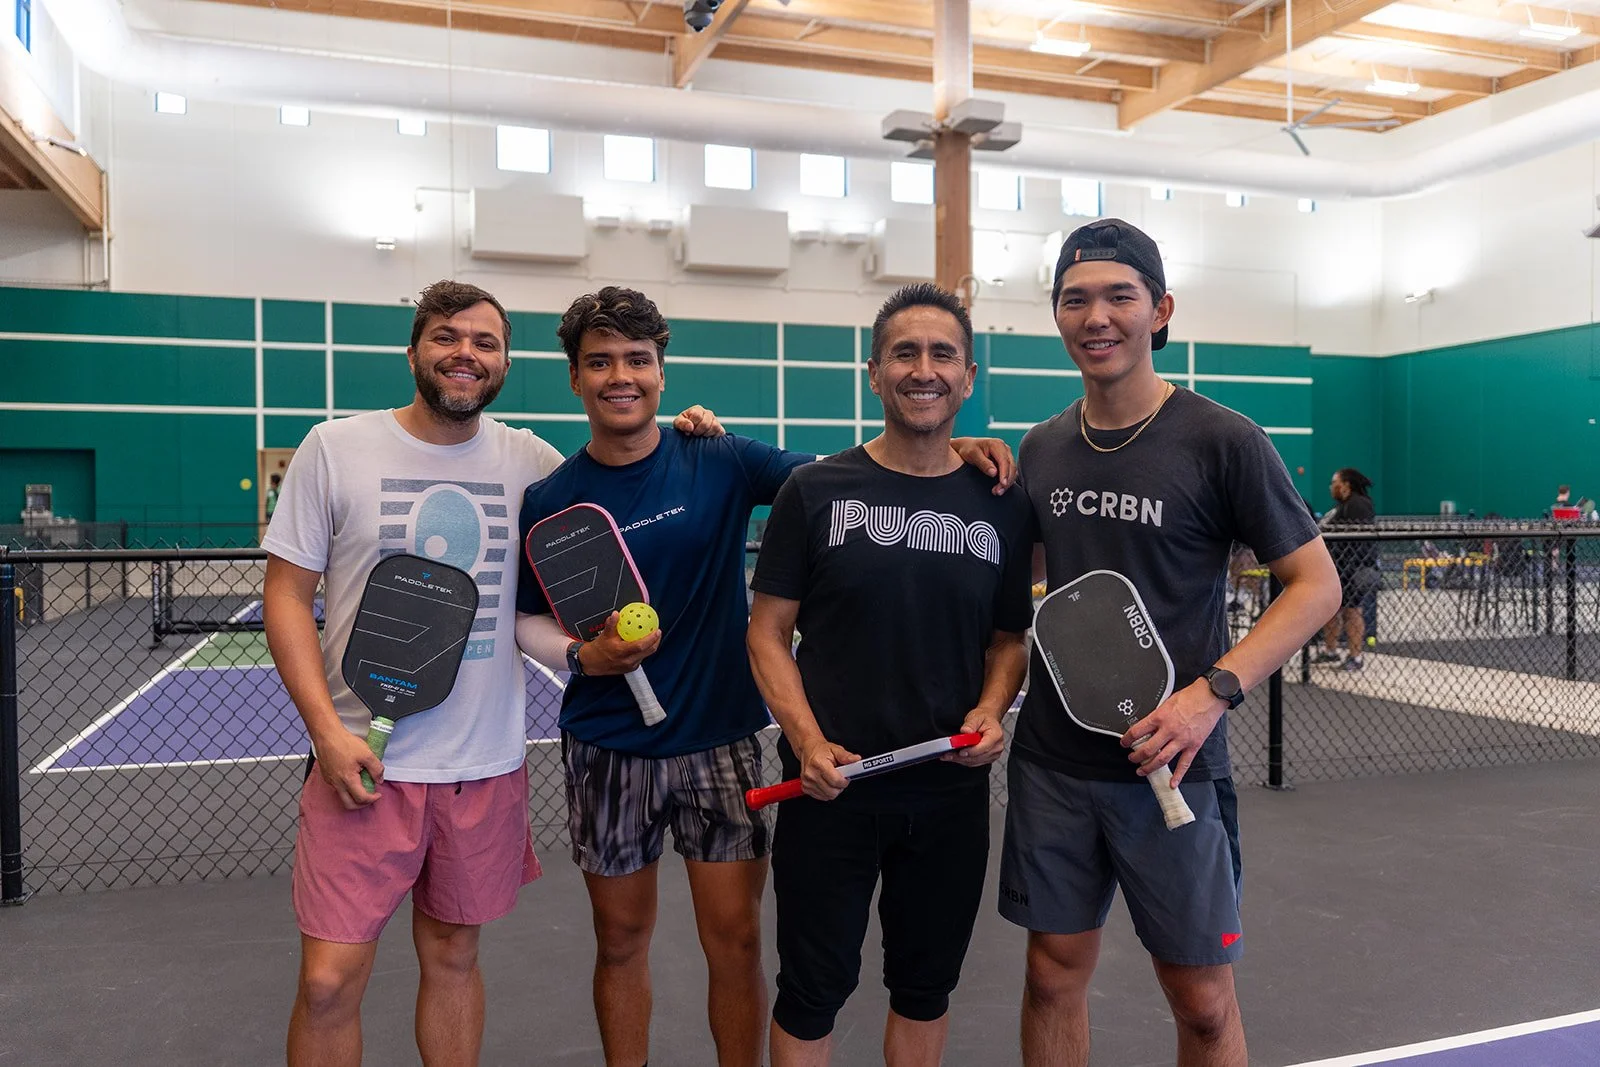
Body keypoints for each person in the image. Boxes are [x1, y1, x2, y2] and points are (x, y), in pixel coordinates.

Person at [513, 285, 1013, 1067]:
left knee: (739, 941)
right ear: (574, 377)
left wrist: (959, 454)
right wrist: (583, 657)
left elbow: (850, 483)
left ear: (661, 373)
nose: (621, 376)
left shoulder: (718, 453)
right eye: (600, 361)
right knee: (619, 941)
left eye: (638, 360)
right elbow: (527, 616)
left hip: (721, 742)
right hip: (607, 745)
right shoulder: (549, 497)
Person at [263, 279, 724, 1067]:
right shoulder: (332, 447)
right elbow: (285, 596)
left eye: (484, 342)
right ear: (415, 351)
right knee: (328, 983)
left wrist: (690, 432)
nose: (464, 354)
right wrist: (325, 734)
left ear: (506, 362)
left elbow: (620, 475)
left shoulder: (533, 465)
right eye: (447, 337)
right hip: (360, 766)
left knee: (453, 959)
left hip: (483, 770)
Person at [999, 219, 1342, 1067]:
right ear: (1057, 316)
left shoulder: (1222, 439)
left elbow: (1317, 585)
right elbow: (1014, 582)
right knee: (1051, 976)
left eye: (1120, 295)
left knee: (1202, 1001)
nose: (1097, 315)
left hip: (1174, 761)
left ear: (1160, 310)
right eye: (1075, 299)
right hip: (1053, 762)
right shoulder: (1041, 448)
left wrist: (1209, 695)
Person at [747, 283, 1033, 1067]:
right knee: (810, 990)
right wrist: (806, 741)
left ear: (968, 377)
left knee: (925, 986)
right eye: (904, 352)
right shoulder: (814, 490)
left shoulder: (1001, 499)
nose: (924, 368)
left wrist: (989, 705)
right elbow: (767, 633)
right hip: (828, 790)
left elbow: (1010, 638)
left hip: (948, 794)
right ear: (873, 371)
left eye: (943, 353)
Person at [1314, 468, 1379, 671]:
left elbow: (1358, 543)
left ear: (1346, 485)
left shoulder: (1358, 505)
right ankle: (1330, 651)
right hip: (1336, 569)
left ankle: (1355, 657)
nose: (1331, 487)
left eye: (1335, 483)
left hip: (1351, 570)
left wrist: (1348, 569)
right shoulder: (1342, 506)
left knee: (1352, 611)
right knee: (1331, 611)